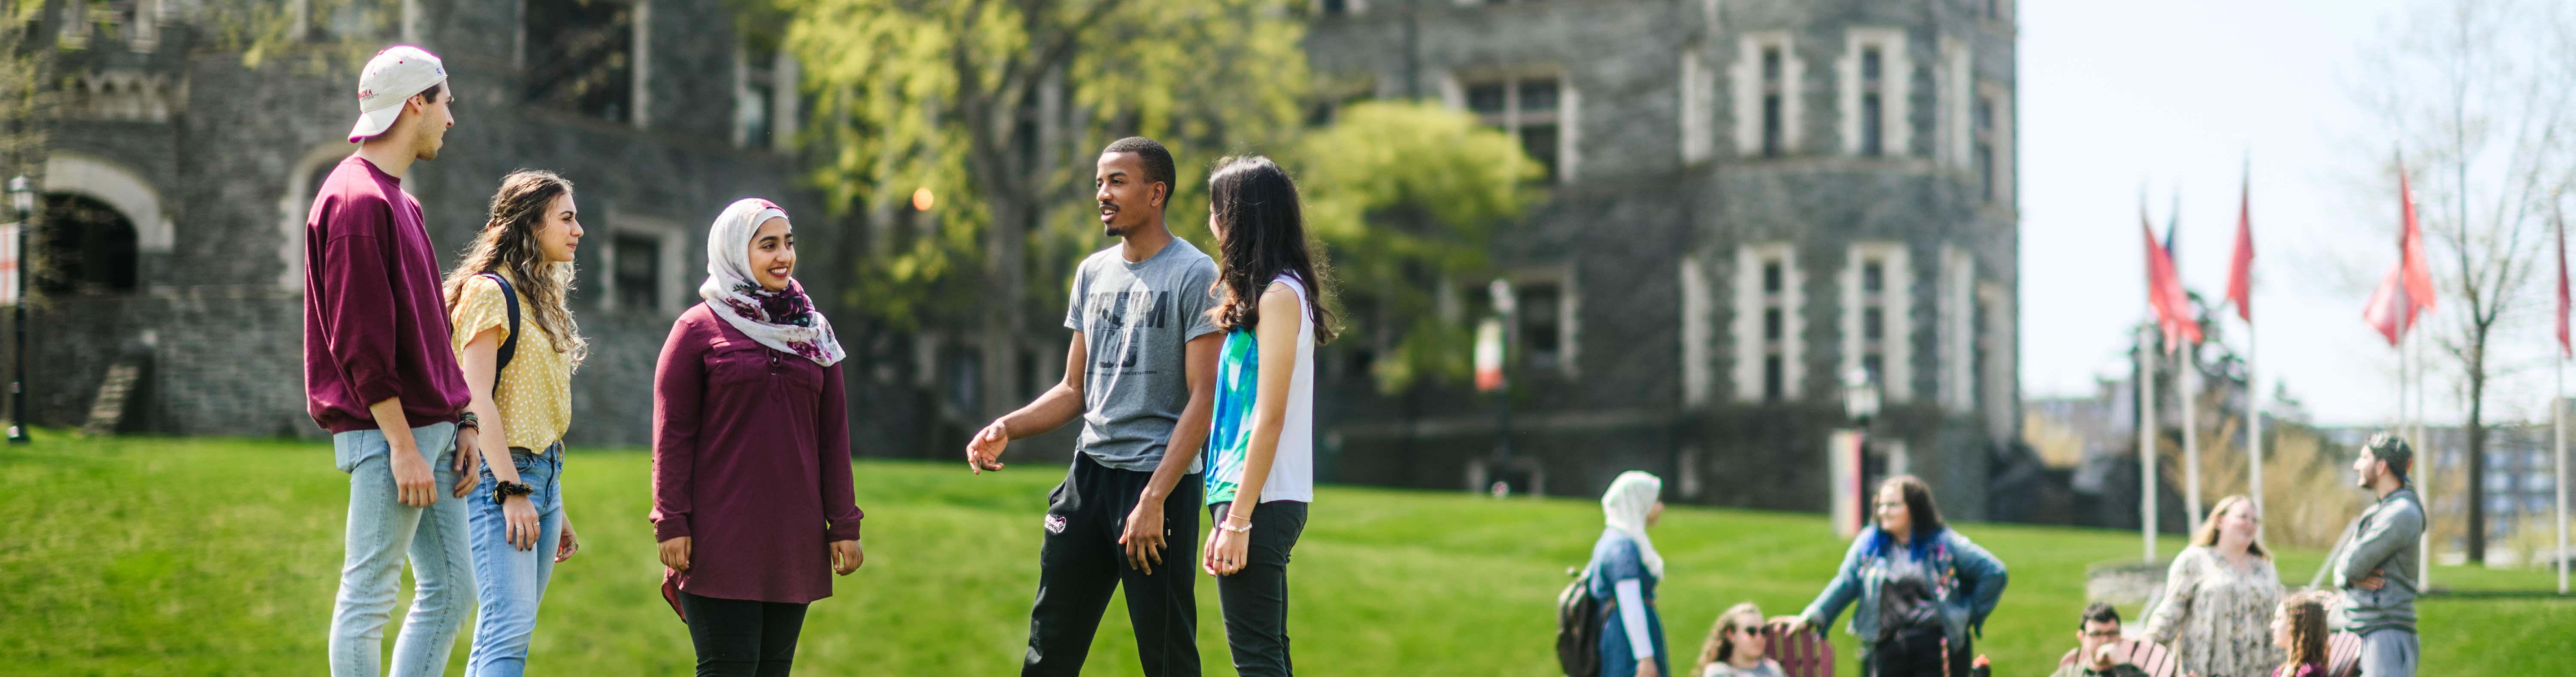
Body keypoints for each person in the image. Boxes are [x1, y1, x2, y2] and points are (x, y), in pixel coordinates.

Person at [965, 136, 1222, 677]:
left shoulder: (1194, 274)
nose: (1102, 194)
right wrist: (1005, 426)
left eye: (1117, 182)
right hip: (1089, 478)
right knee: (1049, 647)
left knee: (1168, 656)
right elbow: (1073, 390)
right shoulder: (1092, 273)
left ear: (1157, 193)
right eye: (1100, 183)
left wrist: (1155, 497)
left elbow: (1205, 397)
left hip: (1157, 483)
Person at [310, 45, 480, 677]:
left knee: (455, 586)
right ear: (416, 103)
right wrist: (403, 445)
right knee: (369, 596)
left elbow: (430, 329)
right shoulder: (356, 202)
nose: (450, 119)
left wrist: (461, 418)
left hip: (431, 431)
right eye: (445, 103)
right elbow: (359, 340)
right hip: (391, 436)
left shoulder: (401, 202)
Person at [650, 198, 865, 677]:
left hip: (794, 538)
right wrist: (670, 520)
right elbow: (673, 434)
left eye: (788, 243)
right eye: (767, 245)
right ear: (733, 251)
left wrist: (845, 524)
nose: (783, 256)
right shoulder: (696, 330)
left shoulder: (814, 333)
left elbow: (833, 438)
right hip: (717, 537)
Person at [1195, 156, 1336, 676]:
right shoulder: (1267, 295)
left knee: (1256, 660)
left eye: (1216, 210)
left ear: (1239, 216)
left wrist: (1237, 519)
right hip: (1248, 493)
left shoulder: (1280, 296)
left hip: (1260, 496)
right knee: (1268, 654)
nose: (1211, 222)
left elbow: (1269, 417)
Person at [445, 170, 587, 676]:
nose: (579, 229)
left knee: (505, 632)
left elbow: (538, 414)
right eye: (566, 218)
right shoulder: (490, 292)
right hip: (501, 478)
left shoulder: (540, 297)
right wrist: (512, 489)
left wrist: (556, 501)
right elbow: (478, 398)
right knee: (507, 631)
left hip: (544, 477)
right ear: (531, 224)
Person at [1779, 476, 2008, 677]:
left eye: (1893, 505)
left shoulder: (1943, 542)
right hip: (1887, 647)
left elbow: (1994, 572)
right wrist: (1811, 617)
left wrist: (1966, 614)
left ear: (1914, 508)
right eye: (1881, 505)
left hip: (1935, 647)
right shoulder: (1869, 544)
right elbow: (1846, 582)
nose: (1884, 512)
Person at [2141, 494, 2284, 677]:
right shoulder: (2194, 560)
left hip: (2260, 671)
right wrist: (2142, 650)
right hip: (2205, 671)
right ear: (2219, 521)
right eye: (2243, 517)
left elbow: (2282, 616)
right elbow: (2170, 613)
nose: (2250, 524)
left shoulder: (2265, 567)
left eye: (2255, 520)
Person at [2324, 433, 2423, 677]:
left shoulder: (2401, 513)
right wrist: (2347, 576)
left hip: (2384, 634)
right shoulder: (2379, 511)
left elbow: (2352, 566)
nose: (2357, 464)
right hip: (2362, 630)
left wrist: (2349, 574)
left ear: (2381, 466)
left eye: (2363, 457)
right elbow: (2345, 569)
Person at [1587, 471, 1672, 677]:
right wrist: (1645, 658)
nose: (1661, 507)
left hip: (1619, 633)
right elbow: (1630, 603)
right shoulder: (1623, 547)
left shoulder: (1612, 538)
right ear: (1638, 502)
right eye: (1656, 500)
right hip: (1626, 641)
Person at [2048, 603, 2149, 677]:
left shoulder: (2133, 674)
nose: (2105, 640)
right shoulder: (2069, 673)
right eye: (2097, 634)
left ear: (2120, 636)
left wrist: (2122, 666)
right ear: (2082, 637)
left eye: (2112, 633)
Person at [1695, 602, 1785, 677]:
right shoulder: (1719, 671)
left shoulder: (1774, 669)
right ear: (1731, 635)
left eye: (1764, 631)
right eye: (1751, 631)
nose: (1759, 638)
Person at [2267, 592, 2330, 677]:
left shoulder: (2310, 672)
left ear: (2297, 625)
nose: (2272, 626)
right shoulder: (2280, 672)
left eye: (2279, 619)